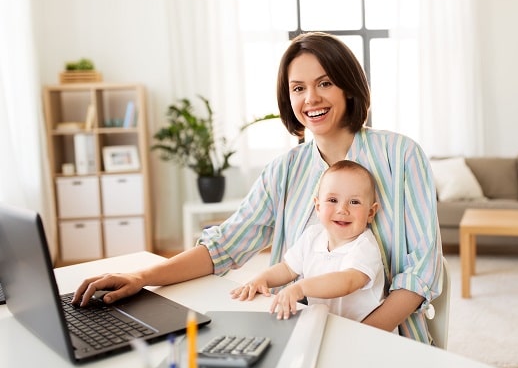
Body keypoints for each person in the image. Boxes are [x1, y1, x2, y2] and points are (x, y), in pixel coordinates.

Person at [72, 31, 443, 344]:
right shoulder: (283, 171)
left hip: (383, 340)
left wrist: (354, 343)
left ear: (349, 87)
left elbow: (419, 275)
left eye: (325, 83)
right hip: (299, 331)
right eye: (298, 88)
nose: (310, 99)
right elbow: (224, 246)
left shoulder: (401, 155)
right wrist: (142, 277)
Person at [231, 160, 386, 325]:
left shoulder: (365, 246)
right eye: (333, 200)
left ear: (370, 212)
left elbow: (347, 281)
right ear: (318, 207)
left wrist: (300, 288)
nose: (342, 209)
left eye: (354, 202)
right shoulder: (312, 235)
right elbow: (288, 268)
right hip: (325, 323)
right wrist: (262, 279)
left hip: (364, 331)